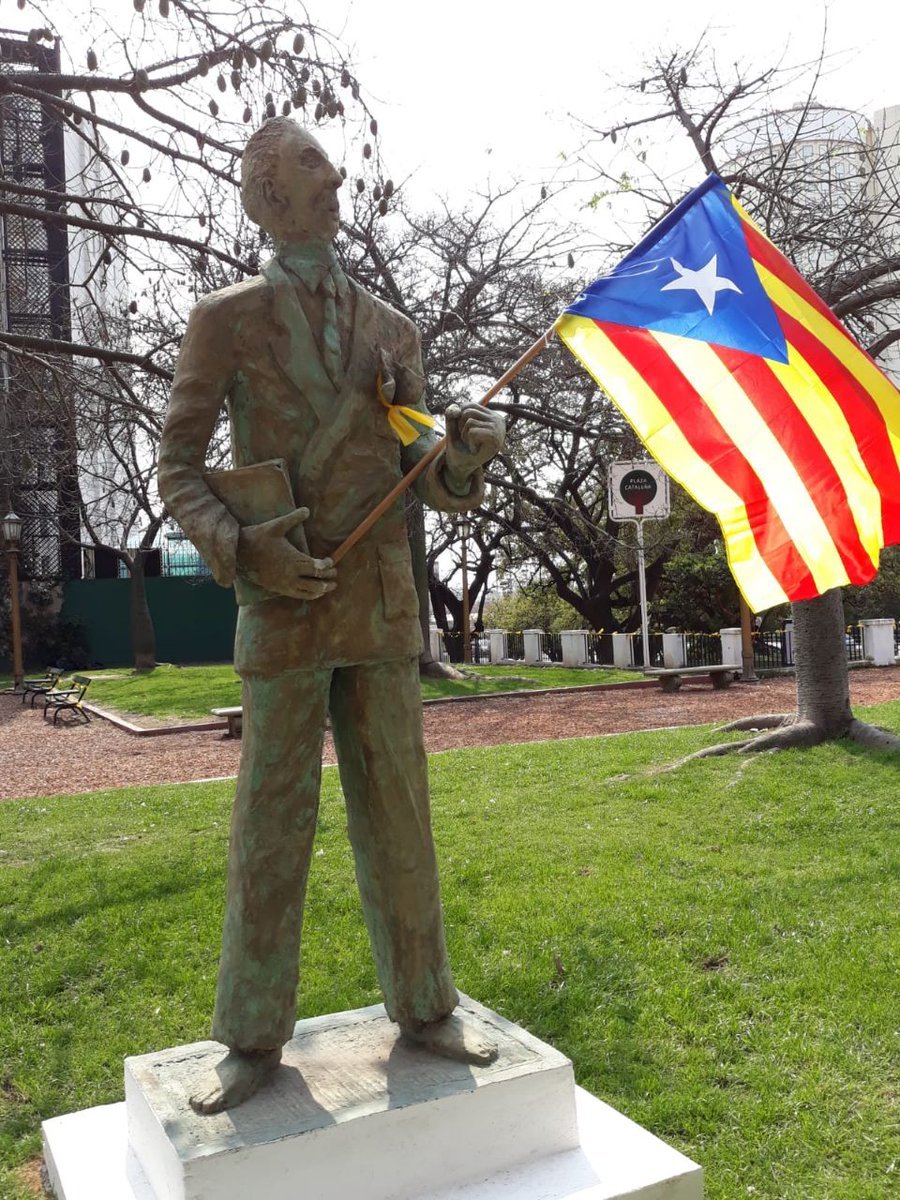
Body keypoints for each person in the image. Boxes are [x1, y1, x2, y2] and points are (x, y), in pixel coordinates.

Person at [157, 117, 505, 1114]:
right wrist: (243, 547)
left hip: (382, 605)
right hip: (283, 599)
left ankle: (427, 1004)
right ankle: (252, 1035)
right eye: (314, 166)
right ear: (269, 197)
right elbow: (178, 467)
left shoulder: (394, 331)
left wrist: (466, 456)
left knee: (400, 814)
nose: (337, 177)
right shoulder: (225, 320)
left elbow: (422, 475)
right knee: (272, 821)